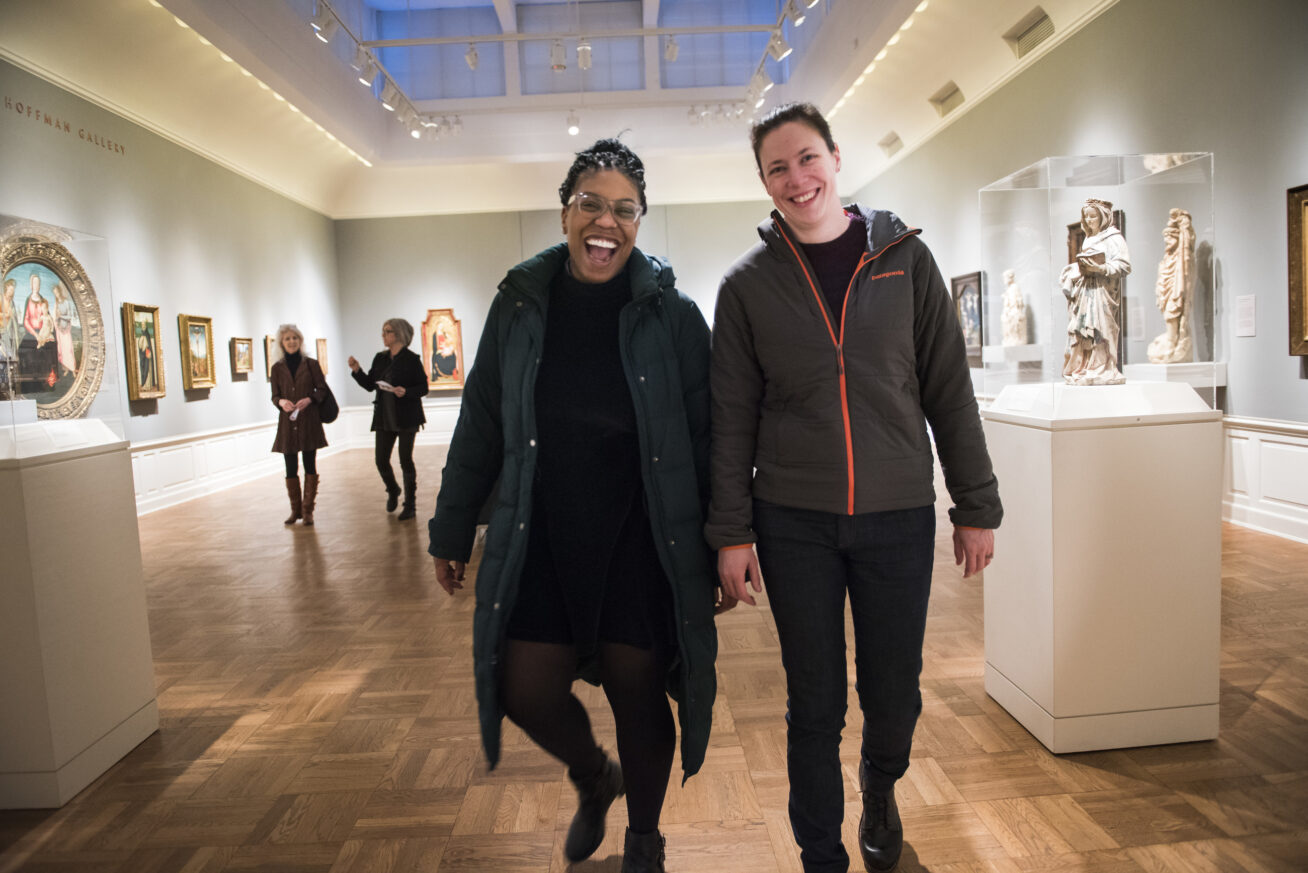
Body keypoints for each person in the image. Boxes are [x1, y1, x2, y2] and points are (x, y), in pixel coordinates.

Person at [708, 103, 1002, 873]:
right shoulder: (746, 287)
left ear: (835, 158)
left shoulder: (907, 261)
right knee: (814, 702)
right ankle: (820, 853)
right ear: (765, 182)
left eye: (807, 158)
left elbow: (949, 390)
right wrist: (731, 532)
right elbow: (731, 419)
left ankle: (881, 782)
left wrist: (976, 504)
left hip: (897, 515)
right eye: (777, 168)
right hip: (792, 520)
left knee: (893, 693)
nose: (796, 178)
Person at [428, 138, 724, 873]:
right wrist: (451, 527)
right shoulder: (520, 306)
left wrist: (724, 541)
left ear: (640, 221)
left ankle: (645, 840)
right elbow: (482, 422)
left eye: (625, 209)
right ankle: (595, 775)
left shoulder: (673, 314)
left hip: (639, 531)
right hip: (544, 526)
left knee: (637, 690)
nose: (606, 222)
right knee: (521, 686)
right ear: (565, 212)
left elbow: (709, 434)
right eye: (591, 203)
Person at [349, 318, 429, 520]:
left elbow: (423, 387)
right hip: (384, 416)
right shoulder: (380, 358)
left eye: (387, 331)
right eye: (383, 331)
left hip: (407, 417)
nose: (383, 335)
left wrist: (406, 391)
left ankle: (410, 505)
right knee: (381, 460)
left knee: (405, 460)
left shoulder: (411, 359)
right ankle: (393, 489)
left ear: (399, 334)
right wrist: (357, 370)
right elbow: (370, 385)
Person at [1059, 198, 1131, 385]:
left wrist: (1100, 268)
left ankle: (1101, 368)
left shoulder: (1113, 238)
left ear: (1103, 216)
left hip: (1103, 291)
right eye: (1086, 217)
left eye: (1093, 216)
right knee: (1083, 330)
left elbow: (1124, 266)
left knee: (1100, 328)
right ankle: (1084, 367)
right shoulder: (1088, 238)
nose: (1089, 220)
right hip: (1086, 290)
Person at [270, 323, 328, 526]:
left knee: (310, 464)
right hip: (288, 423)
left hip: (309, 421)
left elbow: (322, 390)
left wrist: (309, 399)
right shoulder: (277, 368)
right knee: (290, 467)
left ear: (300, 341)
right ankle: (295, 511)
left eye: (295, 338)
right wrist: (281, 402)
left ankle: (308, 510)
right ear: (281, 343)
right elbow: (274, 395)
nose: (291, 342)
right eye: (287, 339)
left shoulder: (311, 364)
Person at [52, 281, 75, 375]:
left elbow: (69, 316)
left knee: (69, 349)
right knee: (62, 350)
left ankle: (73, 369)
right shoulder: (56, 304)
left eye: (57, 292)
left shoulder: (66, 302)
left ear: (60, 291)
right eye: (55, 293)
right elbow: (55, 317)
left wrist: (61, 316)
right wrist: (56, 321)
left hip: (66, 328)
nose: (57, 294)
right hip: (60, 329)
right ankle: (66, 368)